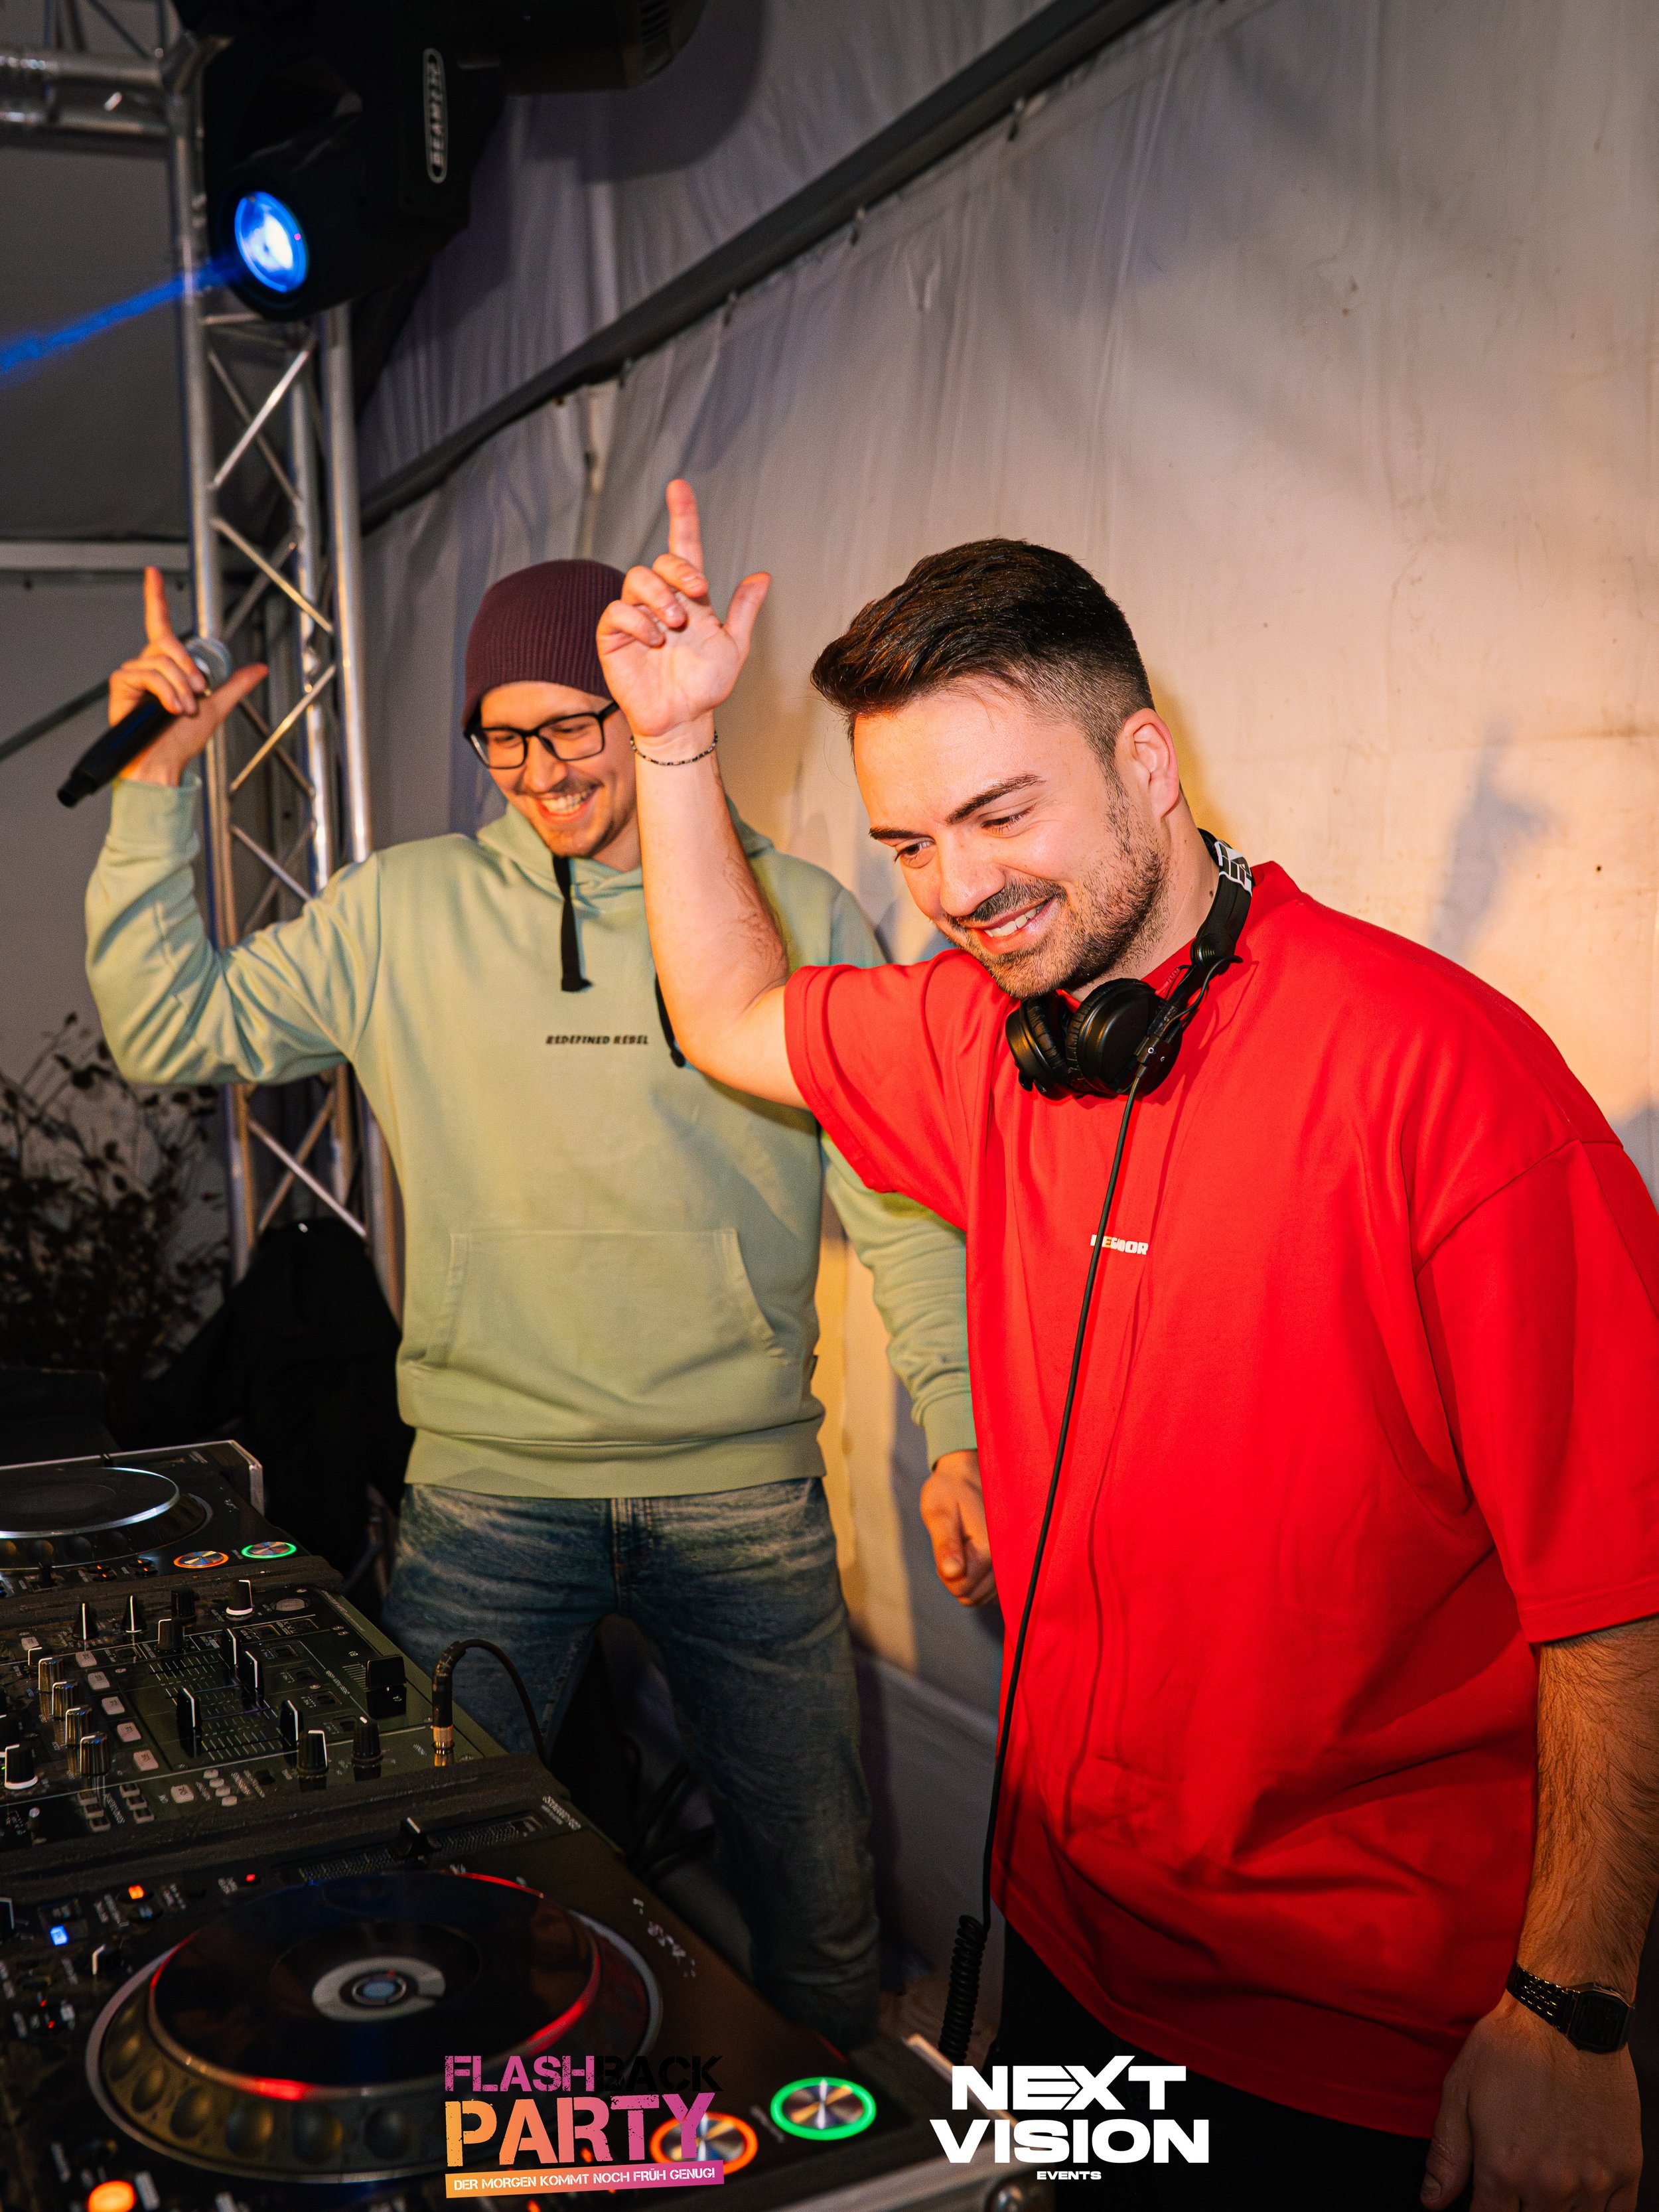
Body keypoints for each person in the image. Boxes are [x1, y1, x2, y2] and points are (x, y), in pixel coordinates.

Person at [596, 479, 1659, 2209]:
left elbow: (1620, 1592)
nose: (957, 887)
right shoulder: (986, 1038)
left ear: (1147, 763)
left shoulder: (1435, 1079)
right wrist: (671, 747)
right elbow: (724, 1010)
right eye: (910, 846)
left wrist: (1571, 2006)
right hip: (1066, 1968)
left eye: (997, 812)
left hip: (1353, 2035)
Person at [83, 559, 989, 2051]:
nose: (543, 769)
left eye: (575, 721)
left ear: (643, 702)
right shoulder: (400, 911)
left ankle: (838, 2162)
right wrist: (153, 793)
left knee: (818, 1911)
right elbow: (171, 1023)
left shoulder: (793, 911)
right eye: (503, 736)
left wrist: (960, 1427)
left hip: (741, 1493)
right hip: (486, 1499)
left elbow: (899, 1208)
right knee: (423, 1898)